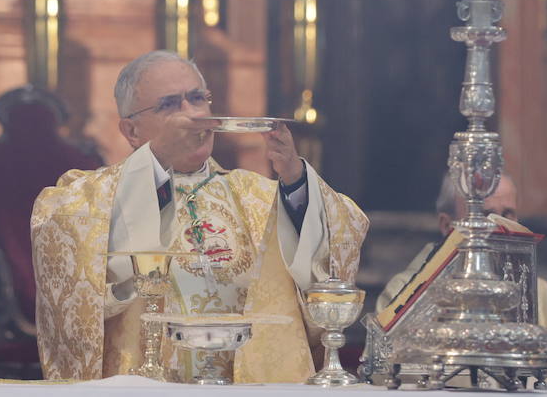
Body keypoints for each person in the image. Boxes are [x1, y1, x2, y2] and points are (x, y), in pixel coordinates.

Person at [30, 50, 369, 383]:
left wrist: (296, 180)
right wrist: (155, 165)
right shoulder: (89, 197)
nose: (191, 115)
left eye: (197, 99)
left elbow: (342, 233)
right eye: (169, 105)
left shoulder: (258, 197)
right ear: (131, 131)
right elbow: (68, 257)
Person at [378, 173, 547, 391]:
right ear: (446, 225)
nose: (500, 226)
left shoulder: (545, 296)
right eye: (483, 216)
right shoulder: (404, 294)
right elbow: (384, 369)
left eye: (507, 214)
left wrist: (522, 353)